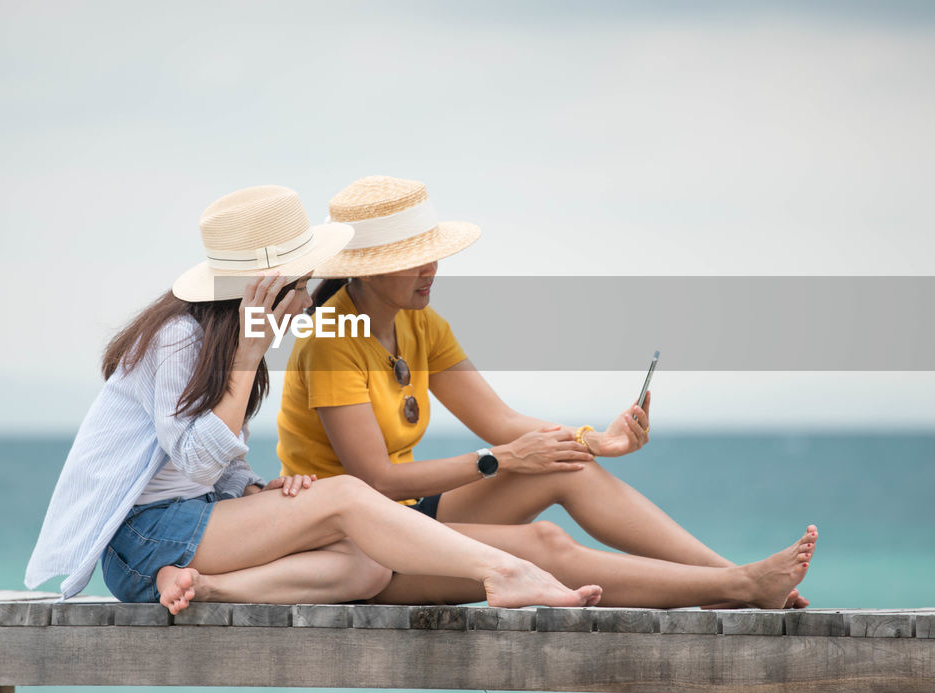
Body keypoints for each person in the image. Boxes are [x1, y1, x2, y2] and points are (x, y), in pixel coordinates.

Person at [25, 185, 603, 615]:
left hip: (181, 542)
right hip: (142, 538)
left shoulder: (227, 339)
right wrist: (249, 357)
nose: (307, 302)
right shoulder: (183, 339)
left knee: (369, 563)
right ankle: (503, 573)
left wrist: (256, 490)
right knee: (348, 496)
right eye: (299, 285)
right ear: (263, 288)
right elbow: (194, 459)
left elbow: (206, 467)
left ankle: (205, 587)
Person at [277, 176, 817, 609]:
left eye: (432, 252)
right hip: (353, 545)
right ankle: (737, 590)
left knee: (567, 466)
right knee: (546, 545)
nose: (432, 268)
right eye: (414, 258)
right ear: (367, 272)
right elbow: (377, 479)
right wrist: (500, 460)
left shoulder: (421, 324)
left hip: (408, 516)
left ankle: (735, 576)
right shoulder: (330, 339)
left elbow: (500, 422)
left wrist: (591, 441)